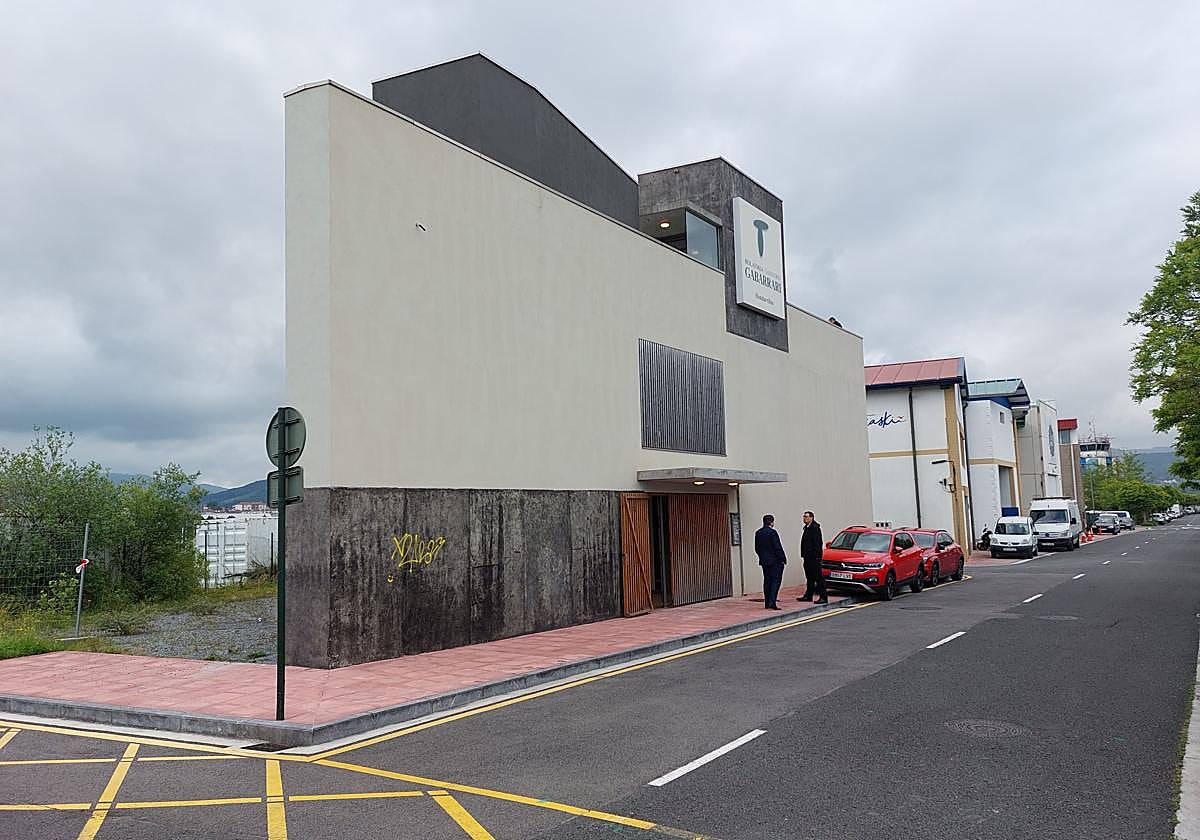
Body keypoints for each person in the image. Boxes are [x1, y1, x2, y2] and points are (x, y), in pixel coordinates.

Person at [754, 514, 787, 610]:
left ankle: (767, 602)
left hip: (764, 561)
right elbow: (777, 547)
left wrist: (762, 556)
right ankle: (772, 602)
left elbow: (757, 548)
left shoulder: (758, 533)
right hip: (775, 561)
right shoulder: (773, 533)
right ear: (771, 522)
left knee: (767, 581)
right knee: (775, 581)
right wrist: (782, 558)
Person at [798, 510, 827, 604]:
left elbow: (818, 543)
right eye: (803, 516)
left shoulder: (815, 528)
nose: (804, 518)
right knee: (809, 577)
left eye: (806, 516)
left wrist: (817, 556)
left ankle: (823, 597)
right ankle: (808, 595)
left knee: (818, 578)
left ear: (811, 517)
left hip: (814, 558)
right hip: (807, 557)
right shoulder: (807, 528)